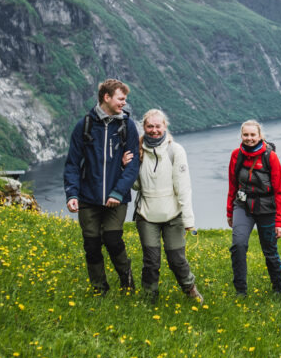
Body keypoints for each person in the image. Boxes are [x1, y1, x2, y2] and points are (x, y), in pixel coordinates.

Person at [63, 79, 140, 295]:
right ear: (106, 98)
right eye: (121, 99)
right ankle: (100, 289)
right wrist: (72, 194)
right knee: (92, 244)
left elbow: (134, 165)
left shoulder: (127, 126)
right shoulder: (85, 125)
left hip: (117, 197)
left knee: (113, 240)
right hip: (88, 197)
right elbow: (72, 164)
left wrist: (118, 191)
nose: (124, 103)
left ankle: (128, 283)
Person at [130, 109, 203, 304]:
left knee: (177, 259)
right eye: (149, 126)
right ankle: (149, 298)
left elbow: (183, 187)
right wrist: (129, 165)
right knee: (151, 261)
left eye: (157, 126)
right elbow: (136, 186)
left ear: (165, 127)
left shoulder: (175, 150)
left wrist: (188, 220)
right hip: (146, 215)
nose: (154, 130)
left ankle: (190, 288)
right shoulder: (138, 150)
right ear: (144, 127)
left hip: (173, 215)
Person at [227, 119, 281, 296]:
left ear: (260, 136)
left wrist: (280, 221)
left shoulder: (270, 157)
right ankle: (240, 290)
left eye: (253, 135)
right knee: (238, 245)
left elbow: (280, 190)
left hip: (267, 208)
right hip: (243, 205)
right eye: (246, 135)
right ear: (241, 136)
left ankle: (277, 287)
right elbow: (232, 185)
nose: (249, 138)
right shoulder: (236, 155)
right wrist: (230, 212)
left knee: (269, 250)